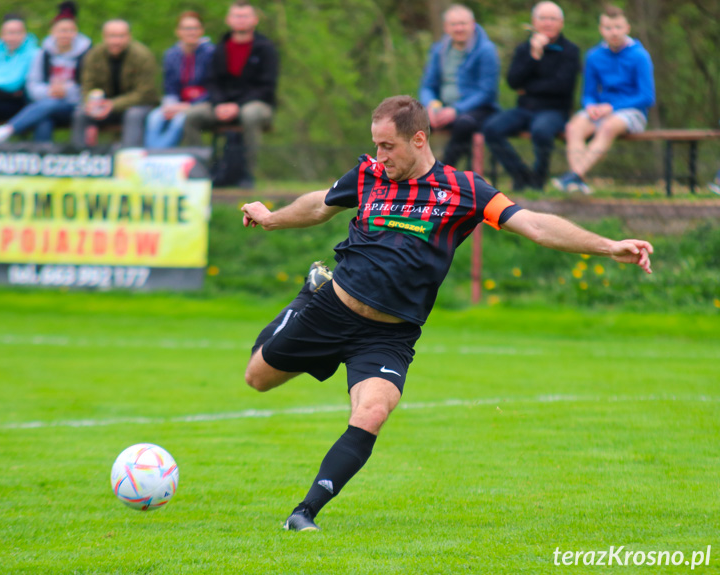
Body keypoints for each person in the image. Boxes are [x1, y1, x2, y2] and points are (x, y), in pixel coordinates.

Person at [240, 95, 653, 532]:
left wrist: (608, 246)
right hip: (331, 309)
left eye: (388, 146)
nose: (380, 155)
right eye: (376, 145)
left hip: (388, 336)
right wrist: (270, 218)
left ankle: (304, 513)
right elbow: (320, 204)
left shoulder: (464, 190)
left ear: (419, 139)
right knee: (257, 379)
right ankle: (310, 291)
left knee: (373, 412)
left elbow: (532, 224)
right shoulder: (368, 175)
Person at [551, 5, 655, 194]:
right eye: (608, 28)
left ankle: (574, 175)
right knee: (573, 127)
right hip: (601, 109)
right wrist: (590, 106)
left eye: (618, 27)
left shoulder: (640, 56)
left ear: (627, 28)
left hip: (632, 112)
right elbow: (588, 93)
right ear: (601, 29)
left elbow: (647, 97)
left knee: (607, 127)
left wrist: (612, 107)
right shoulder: (594, 56)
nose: (613, 32)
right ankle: (577, 182)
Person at [482, 2, 580, 191]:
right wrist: (534, 55)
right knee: (491, 129)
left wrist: (528, 88)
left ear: (561, 23)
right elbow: (513, 81)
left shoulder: (570, 51)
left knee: (541, 131)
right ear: (534, 22)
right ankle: (521, 176)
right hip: (524, 109)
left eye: (553, 19)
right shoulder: (524, 49)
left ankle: (538, 182)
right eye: (543, 18)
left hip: (554, 111)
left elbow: (562, 86)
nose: (547, 23)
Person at [183, 0, 279, 188]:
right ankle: (200, 172)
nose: (240, 20)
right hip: (221, 105)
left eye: (245, 16)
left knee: (249, 114)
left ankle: (247, 175)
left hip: (257, 104)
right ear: (228, 20)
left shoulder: (266, 48)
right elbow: (212, 81)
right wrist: (219, 104)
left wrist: (238, 105)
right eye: (236, 15)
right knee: (192, 115)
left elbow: (267, 86)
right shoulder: (220, 47)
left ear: (255, 20)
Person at [0, 2, 91, 144]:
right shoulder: (42, 54)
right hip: (45, 104)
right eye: (61, 30)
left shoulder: (88, 55)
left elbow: (89, 85)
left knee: (48, 106)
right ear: (53, 32)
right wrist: (49, 91)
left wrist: (66, 91)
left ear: (76, 32)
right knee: (43, 118)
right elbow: (32, 84)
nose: (65, 34)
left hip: (74, 105)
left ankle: (8, 129)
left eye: (69, 30)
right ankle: (41, 158)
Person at [419, 4, 499, 169]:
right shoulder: (438, 50)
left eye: (463, 23)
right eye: (454, 24)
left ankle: (442, 173)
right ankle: (410, 172)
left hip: (479, 110)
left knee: (464, 124)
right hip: (443, 107)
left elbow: (487, 91)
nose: (459, 28)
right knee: (413, 121)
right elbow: (427, 85)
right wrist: (432, 105)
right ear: (446, 27)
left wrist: (456, 110)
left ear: (473, 24)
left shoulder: (486, 50)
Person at [71, 19, 158, 147]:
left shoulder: (143, 56)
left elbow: (145, 93)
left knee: (133, 115)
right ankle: (79, 157)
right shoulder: (94, 55)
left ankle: (128, 158)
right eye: (112, 36)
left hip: (138, 106)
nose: (116, 41)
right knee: (81, 114)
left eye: (121, 36)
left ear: (129, 37)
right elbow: (87, 85)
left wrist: (113, 104)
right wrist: (90, 103)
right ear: (104, 37)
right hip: (103, 107)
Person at [144, 11, 215, 149]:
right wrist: (170, 105)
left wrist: (189, 105)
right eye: (186, 28)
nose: (191, 32)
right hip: (177, 103)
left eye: (194, 28)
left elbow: (214, 87)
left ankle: (161, 155)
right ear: (178, 31)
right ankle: (152, 155)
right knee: (154, 118)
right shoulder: (171, 55)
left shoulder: (211, 53)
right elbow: (169, 86)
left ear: (201, 30)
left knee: (180, 120)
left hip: (202, 103)